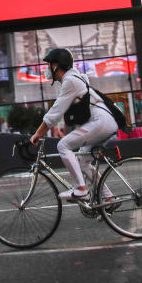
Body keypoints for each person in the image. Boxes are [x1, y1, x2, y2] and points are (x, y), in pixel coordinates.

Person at [30, 48, 118, 202]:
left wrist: (38, 133)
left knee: (63, 146)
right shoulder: (75, 78)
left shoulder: (70, 81)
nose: (47, 69)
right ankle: (109, 198)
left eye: (49, 64)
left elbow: (55, 112)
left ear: (57, 66)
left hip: (101, 122)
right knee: (83, 162)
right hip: (105, 121)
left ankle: (81, 189)